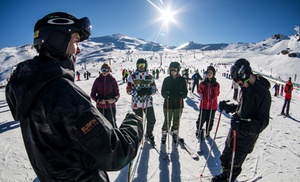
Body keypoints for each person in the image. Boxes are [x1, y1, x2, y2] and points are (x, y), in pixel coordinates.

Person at [5, 12, 143, 182]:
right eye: (76, 40)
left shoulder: (27, 87)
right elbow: (114, 153)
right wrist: (134, 123)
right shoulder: (63, 92)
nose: (79, 48)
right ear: (58, 40)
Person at [214, 58, 271, 182]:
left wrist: (242, 125)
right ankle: (224, 175)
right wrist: (230, 107)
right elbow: (242, 108)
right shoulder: (245, 88)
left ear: (245, 74)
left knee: (234, 164)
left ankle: (229, 179)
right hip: (235, 131)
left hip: (246, 137)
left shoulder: (262, 93)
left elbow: (263, 122)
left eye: (240, 82)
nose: (239, 85)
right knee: (225, 158)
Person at [126, 58, 157, 144]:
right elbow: (128, 90)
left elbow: (154, 89)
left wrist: (150, 91)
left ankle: (148, 134)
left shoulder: (150, 77)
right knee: (138, 122)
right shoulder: (132, 77)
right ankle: (138, 135)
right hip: (137, 103)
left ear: (146, 66)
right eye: (139, 65)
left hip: (148, 102)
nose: (141, 67)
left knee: (152, 120)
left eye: (142, 65)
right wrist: (138, 92)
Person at [161, 62, 188, 144]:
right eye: (171, 69)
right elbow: (162, 91)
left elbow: (185, 92)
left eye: (175, 70)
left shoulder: (182, 80)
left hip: (178, 104)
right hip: (168, 104)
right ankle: (164, 132)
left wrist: (182, 94)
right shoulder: (166, 80)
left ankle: (175, 131)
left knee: (176, 119)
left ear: (178, 70)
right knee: (167, 119)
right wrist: (166, 94)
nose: (173, 71)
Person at [91, 63, 120, 127]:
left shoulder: (112, 80)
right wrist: (99, 100)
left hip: (110, 107)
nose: (104, 71)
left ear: (109, 70)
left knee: (112, 123)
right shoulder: (98, 80)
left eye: (106, 69)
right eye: (103, 69)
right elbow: (92, 94)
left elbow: (117, 94)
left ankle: (114, 136)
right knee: (102, 124)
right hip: (100, 107)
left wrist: (114, 99)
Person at [195, 66, 220, 139]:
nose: (209, 74)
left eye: (211, 73)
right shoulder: (203, 83)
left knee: (210, 119)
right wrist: (203, 85)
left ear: (213, 74)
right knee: (201, 118)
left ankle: (208, 130)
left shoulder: (216, 84)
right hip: (204, 104)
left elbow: (217, 94)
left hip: (212, 105)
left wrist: (215, 86)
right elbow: (199, 91)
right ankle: (198, 129)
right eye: (208, 72)